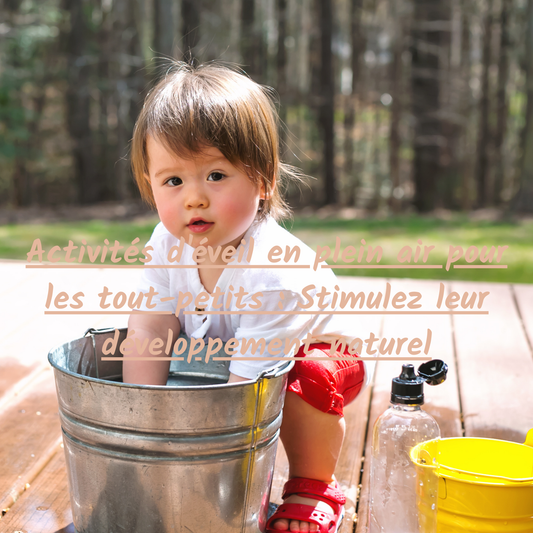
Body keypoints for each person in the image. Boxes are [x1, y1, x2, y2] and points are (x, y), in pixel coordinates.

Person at [125, 61, 367, 533]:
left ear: (263, 180)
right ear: (150, 186)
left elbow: (248, 393)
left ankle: (313, 485)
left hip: (316, 362)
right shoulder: (165, 241)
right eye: (173, 181)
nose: (194, 197)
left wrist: (214, 480)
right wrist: (142, 420)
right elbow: (151, 325)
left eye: (215, 175)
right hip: (232, 351)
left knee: (308, 379)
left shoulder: (274, 273)